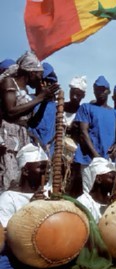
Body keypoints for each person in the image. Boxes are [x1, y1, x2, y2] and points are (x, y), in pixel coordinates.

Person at [0, 51, 59, 192]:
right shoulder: (9, 82)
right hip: (9, 134)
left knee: (21, 177)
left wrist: (44, 100)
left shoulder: (25, 90)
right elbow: (10, 111)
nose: (40, 79)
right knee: (9, 176)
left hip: (23, 136)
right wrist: (39, 98)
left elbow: (32, 122)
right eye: (39, 74)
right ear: (31, 73)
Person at [74, 75, 116, 193]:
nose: (100, 92)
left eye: (103, 89)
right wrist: (96, 155)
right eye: (97, 89)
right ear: (93, 90)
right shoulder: (86, 107)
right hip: (89, 159)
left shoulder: (114, 113)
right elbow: (83, 133)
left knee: (107, 194)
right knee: (89, 193)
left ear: (108, 91)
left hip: (108, 160)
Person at [0, 143, 48, 228]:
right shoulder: (9, 198)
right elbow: (6, 232)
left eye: (48, 168)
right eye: (42, 167)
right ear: (26, 171)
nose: (47, 172)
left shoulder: (48, 193)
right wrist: (30, 208)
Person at [27, 62, 58, 157]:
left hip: (49, 151)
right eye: (44, 81)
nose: (47, 85)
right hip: (31, 149)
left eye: (50, 83)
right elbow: (26, 125)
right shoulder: (28, 100)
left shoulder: (56, 106)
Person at [77, 157, 116, 223]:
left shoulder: (113, 203)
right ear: (98, 179)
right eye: (112, 178)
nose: (115, 182)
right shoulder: (83, 203)